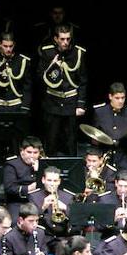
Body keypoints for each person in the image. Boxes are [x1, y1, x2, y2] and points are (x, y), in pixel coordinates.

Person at [0, 30, 32, 161]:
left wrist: (25, 108)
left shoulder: (22, 61)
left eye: (10, 46)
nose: (8, 49)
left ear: (14, 45)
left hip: (15, 106)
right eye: (5, 46)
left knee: (16, 143)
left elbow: (27, 86)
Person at [38, 25, 88, 156]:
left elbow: (83, 80)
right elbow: (40, 77)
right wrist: (52, 66)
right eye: (62, 39)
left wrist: (80, 104)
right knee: (51, 139)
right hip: (53, 101)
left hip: (71, 102)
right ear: (56, 39)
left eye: (68, 39)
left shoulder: (78, 53)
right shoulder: (47, 52)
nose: (65, 42)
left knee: (70, 141)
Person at [90, 83, 127, 170]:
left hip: (123, 156)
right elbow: (95, 134)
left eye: (123, 98)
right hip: (104, 155)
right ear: (110, 96)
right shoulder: (100, 112)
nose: (120, 101)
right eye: (117, 98)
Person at [3, 137, 42, 220]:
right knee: (15, 221)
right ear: (22, 151)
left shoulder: (43, 163)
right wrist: (28, 188)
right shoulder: (12, 165)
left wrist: (39, 171)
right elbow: (9, 188)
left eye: (35, 153)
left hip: (39, 200)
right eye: (29, 152)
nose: (32, 156)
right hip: (19, 202)